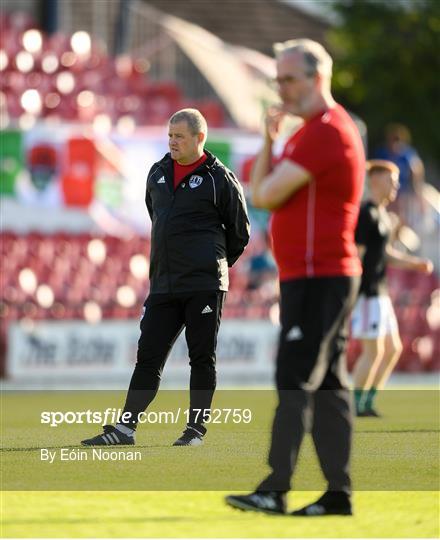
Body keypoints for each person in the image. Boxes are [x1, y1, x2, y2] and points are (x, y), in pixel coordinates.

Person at [225, 38, 365, 516]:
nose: (280, 89)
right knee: (328, 385)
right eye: (277, 80)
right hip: (316, 275)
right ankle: (337, 495)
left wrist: (272, 149)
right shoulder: (310, 132)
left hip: (319, 274)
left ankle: (275, 487)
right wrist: (269, 137)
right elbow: (261, 190)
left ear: (316, 77)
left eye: (288, 78)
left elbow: (264, 193)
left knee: (295, 378)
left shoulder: (326, 131)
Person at [82, 108, 250, 447]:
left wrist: (213, 262)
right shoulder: (157, 172)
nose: (172, 141)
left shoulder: (220, 178)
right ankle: (124, 429)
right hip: (163, 284)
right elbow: (157, 216)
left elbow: (240, 232)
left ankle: (195, 431)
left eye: (180, 136)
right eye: (170, 135)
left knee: (201, 358)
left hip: (204, 284)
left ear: (199, 138)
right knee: (148, 357)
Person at [351, 160, 433, 417]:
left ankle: (367, 400)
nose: (396, 185)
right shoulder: (366, 213)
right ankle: (354, 405)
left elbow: (383, 253)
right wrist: (352, 292)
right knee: (373, 351)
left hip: (381, 292)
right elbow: (359, 255)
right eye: (392, 179)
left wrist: (414, 264)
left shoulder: (383, 214)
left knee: (393, 348)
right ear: (375, 181)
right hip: (367, 294)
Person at [373, 123, 425, 227]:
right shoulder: (382, 153)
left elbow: (416, 170)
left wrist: (417, 191)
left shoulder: (406, 154)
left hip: (401, 191)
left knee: (400, 215)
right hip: (384, 189)